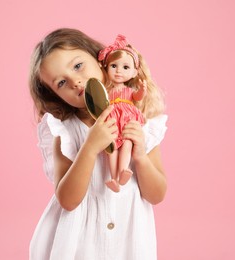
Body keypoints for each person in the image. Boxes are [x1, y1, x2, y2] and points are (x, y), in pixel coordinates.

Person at [28, 28, 168, 260]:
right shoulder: (66, 131)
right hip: (79, 245)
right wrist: (90, 147)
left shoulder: (138, 123)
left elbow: (157, 195)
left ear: (99, 59)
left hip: (127, 244)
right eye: (62, 82)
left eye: (78, 66)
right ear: (56, 95)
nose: (76, 81)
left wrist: (141, 157)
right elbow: (68, 200)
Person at [98, 34, 149, 192]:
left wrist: (142, 91)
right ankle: (113, 179)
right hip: (112, 118)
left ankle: (123, 172)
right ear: (106, 68)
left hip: (126, 119)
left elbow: (137, 97)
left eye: (125, 67)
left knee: (127, 144)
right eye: (114, 66)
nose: (119, 71)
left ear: (134, 72)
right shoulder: (106, 90)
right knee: (111, 147)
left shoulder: (129, 91)